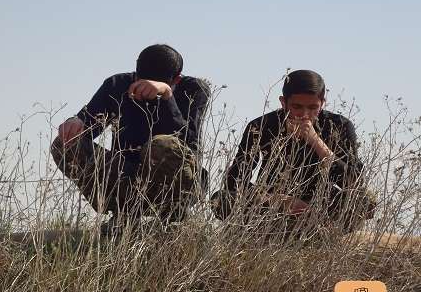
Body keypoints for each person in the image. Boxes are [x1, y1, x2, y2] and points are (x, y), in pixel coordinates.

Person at [51, 44, 210, 236]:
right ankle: (123, 213)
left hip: (179, 182)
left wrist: (166, 96)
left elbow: (189, 139)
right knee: (65, 144)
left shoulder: (194, 89)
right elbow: (88, 124)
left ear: (177, 79)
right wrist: (74, 123)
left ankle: (175, 215)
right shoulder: (117, 84)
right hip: (127, 176)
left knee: (162, 145)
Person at [211, 70, 375, 238]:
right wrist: (280, 200)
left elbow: (354, 181)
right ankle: (295, 233)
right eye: (297, 107)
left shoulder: (339, 126)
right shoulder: (262, 125)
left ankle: (317, 232)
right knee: (221, 200)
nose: (304, 115)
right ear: (284, 103)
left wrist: (316, 141)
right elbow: (236, 179)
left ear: (322, 103)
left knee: (365, 201)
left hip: (321, 205)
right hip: (272, 203)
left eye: (313, 108)